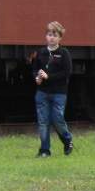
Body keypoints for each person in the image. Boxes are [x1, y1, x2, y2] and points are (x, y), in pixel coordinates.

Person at [30, 21, 74, 157]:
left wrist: (49, 76)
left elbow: (66, 73)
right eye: (49, 35)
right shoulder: (40, 53)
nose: (51, 38)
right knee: (43, 122)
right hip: (42, 92)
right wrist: (37, 77)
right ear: (46, 36)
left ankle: (67, 140)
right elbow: (35, 69)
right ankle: (44, 150)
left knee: (57, 119)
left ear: (60, 38)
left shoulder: (64, 53)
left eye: (55, 35)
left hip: (59, 93)